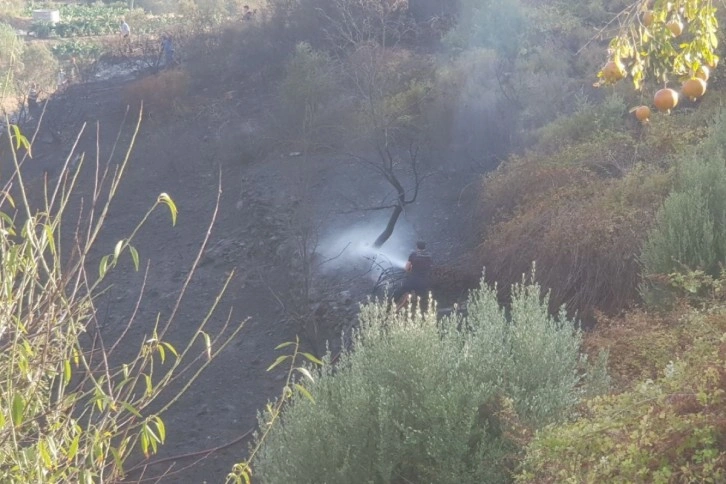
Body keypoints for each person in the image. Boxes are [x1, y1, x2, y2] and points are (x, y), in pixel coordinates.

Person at [394, 240, 433, 309]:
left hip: (413, 279)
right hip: (424, 281)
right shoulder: (429, 256)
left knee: (400, 291)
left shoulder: (413, 255)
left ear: (417, 247)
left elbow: (407, 267)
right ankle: (422, 312)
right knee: (420, 299)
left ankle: (390, 305)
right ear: (425, 247)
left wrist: (409, 270)